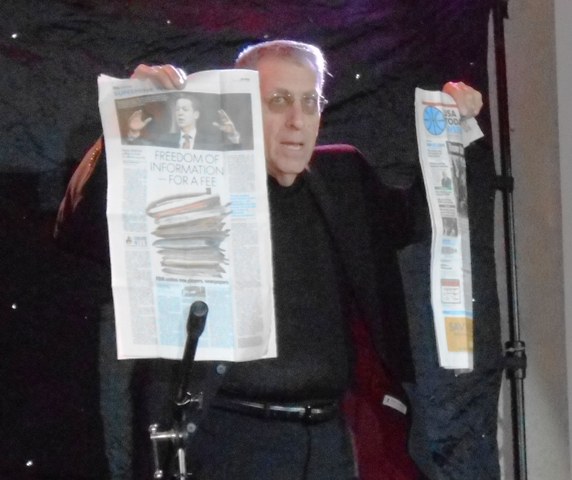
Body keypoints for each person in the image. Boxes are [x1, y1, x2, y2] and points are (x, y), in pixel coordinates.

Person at [55, 40, 482, 480]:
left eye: (310, 101)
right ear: (238, 106)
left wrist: (452, 132)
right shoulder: (193, 181)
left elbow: (417, 220)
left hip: (326, 440)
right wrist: (127, 120)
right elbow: (82, 229)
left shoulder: (344, 177)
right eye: (278, 101)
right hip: (230, 438)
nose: (298, 120)